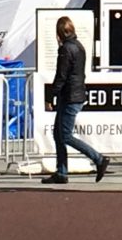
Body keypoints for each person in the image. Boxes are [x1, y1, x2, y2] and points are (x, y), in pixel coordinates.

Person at [41, 16, 110, 185]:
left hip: (69, 96)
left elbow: (61, 76)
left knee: (65, 135)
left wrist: (50, 96)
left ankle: (98, 158)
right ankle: (61, 172)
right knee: (58, 134)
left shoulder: (65, 49)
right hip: (77, 94)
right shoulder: (79, 46)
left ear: (59, 33)